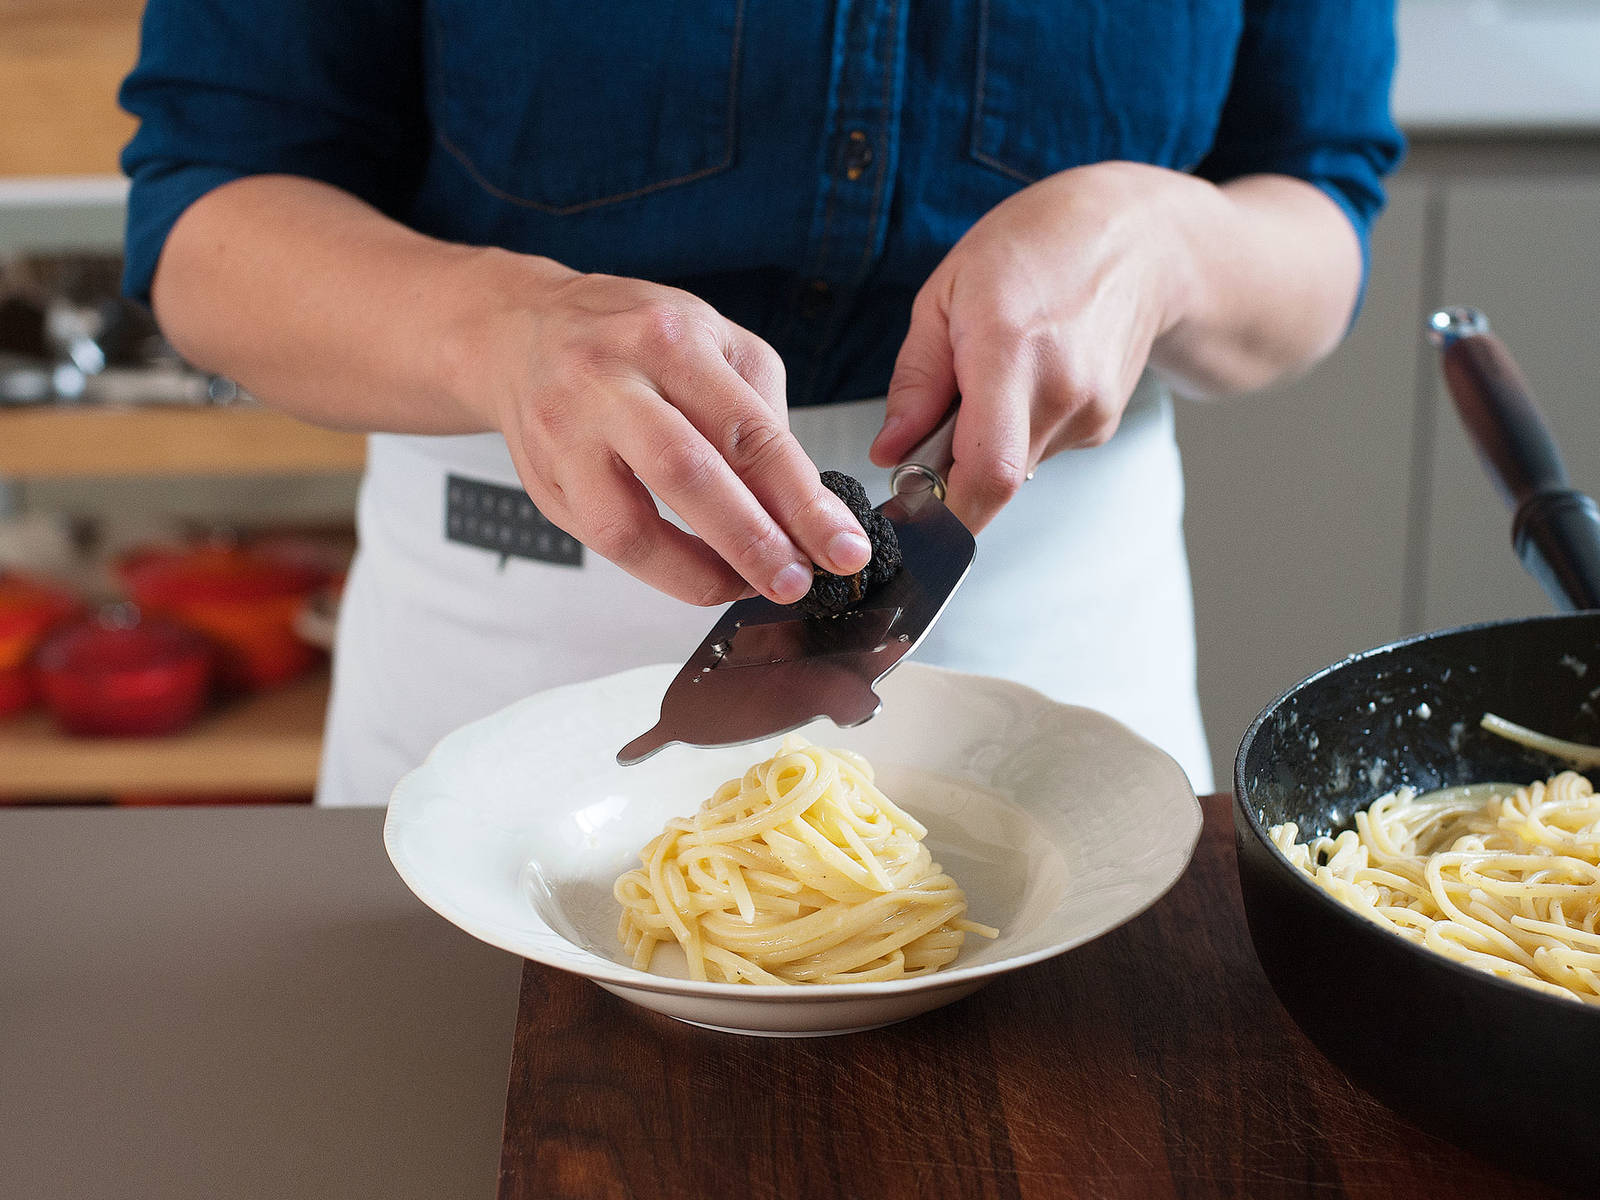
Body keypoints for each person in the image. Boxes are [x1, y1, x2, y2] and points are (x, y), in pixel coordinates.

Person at [118, 2, 1403, 804]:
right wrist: (503, 326)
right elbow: (207, 217)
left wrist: (1165, 240)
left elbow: (1316, 201)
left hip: (1049, 621)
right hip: (511, 630)